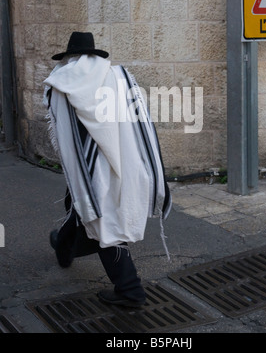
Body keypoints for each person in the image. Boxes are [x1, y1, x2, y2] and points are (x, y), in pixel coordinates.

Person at [44, 32, 171, 308]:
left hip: (90, 167)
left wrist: (79, 164)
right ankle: (64, 245)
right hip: (127, 157)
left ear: (70, 58)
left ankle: (130, 290)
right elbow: (139, 118)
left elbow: (66, 135)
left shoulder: (62, 83)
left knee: (103, 221)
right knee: (85, 208)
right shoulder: (120, 76)